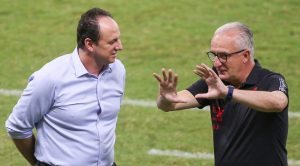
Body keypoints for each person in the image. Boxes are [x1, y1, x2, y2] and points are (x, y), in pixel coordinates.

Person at [153, 22, 288, 166]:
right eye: (214, 55)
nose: (217, 63)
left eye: (223, 56)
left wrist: (227, 92)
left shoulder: (270, 80)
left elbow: (278, 102)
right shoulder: (216, 81)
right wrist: (165, 97)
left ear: (245, 55)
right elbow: (170, 104)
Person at [5, 7, 124, 166]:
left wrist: (163, 102)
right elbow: (17, 126)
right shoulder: (50, 78)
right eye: (112, 42)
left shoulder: (117, 70)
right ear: (89, 44)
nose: (120, 46)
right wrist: (38, 163)